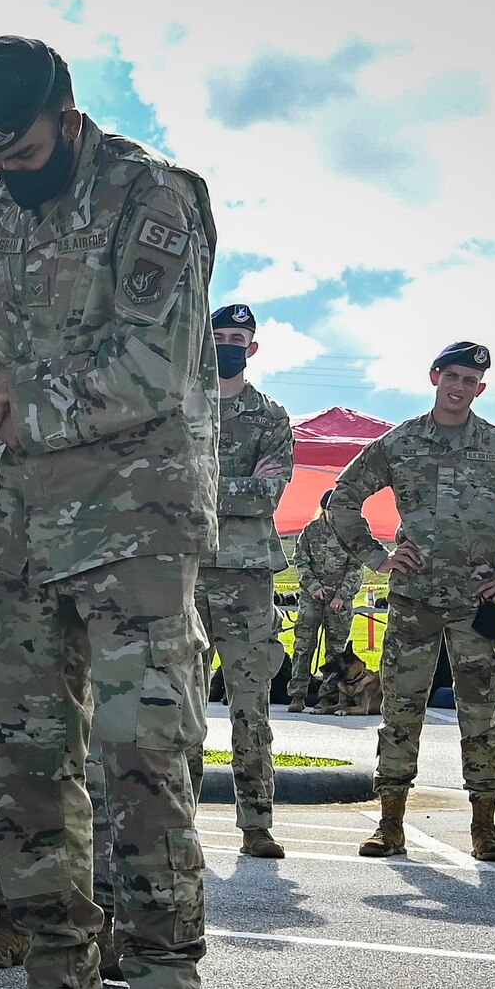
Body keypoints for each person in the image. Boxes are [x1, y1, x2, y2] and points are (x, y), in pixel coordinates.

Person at [0, 36, 219, 989]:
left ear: (64, 116)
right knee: (15, 760)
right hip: (22, 526)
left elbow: (149, 364)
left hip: (135, 523)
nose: (2, 172)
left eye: (14, 149)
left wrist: (17, 400)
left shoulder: (152, 196)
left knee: (141, 762)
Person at [329, 341, 495, 862]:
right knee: (400, 712)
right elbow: (342, 498)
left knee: (480, 717)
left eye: (471, 380)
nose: (459, 387)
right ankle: (390, 825)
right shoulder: (402, 442)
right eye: (452, 376)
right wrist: (377, 554)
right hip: (414, 603)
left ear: (482, 388)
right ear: (434, 376)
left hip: (477, 605)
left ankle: (484, 828)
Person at [192, 302, 293, 857]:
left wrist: (199, 486)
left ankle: (256, 824)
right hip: (182, 571)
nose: (229, 344)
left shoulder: (270, 417)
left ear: (252, 348)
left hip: (248, 580)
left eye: (239, 337)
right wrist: (233, 486)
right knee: (179, 706)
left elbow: (267, 495)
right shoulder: (179, 406)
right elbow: (160, 481)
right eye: (220, 335)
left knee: (250, 709)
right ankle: (176, 822)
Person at [289, 490, 361, 712]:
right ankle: (297, 695)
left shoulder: (350, 533)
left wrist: (342, 595)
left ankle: (328, 697)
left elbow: (356, 568)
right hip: (313, 598)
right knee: (303, 646)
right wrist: (313, 587)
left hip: (339, 602)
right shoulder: (311, 531)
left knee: (336, 652)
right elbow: (300, 561)